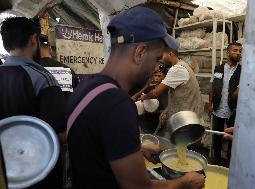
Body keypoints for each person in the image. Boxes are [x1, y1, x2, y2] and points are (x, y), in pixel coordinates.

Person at [67, 7, 205, 189]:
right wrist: (184, 182)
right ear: (140, 53)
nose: (157, 69)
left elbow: (94, 145)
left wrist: (138, 150)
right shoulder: (119, 106)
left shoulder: (86, 87)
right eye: (157, 60)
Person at [0, 17, 66, 189]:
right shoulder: (42, 79)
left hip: (7, 173)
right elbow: (58, 134)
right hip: (39, 173)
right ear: (33, 39)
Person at [140, 49, 204, 126]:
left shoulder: (177, 69)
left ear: (170, 54)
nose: (160, 60)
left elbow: (155, 93)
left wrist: (144, 97)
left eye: (161, 57)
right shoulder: (182, 66)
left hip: (187, 121)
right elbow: (180, 96)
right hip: (189, 118)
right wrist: (167, 110)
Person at [208, 42, 242, 163]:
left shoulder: (243, 71)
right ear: (228, 52)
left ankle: (229, 164)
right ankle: (215, 161)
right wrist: (210, 104)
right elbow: (212, 88)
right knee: (216, 136)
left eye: (240, 51)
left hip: (233, 111)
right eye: (235, 50)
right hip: (218, 109)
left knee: (233, 139)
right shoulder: (218, 69)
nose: (238, 53)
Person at [39, 34, 79, 110]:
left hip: (39, 121)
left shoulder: (31, 70)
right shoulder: (68, 71)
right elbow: (77, 99)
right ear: (50, 50)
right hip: (65, 119)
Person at [132, 65, 168, 133]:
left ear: (165, 77)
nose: (156, 78)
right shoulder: (150, 88)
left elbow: (169, 108)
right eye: (155, 75)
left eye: (159, 76)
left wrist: (156, 111)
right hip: (145, 122)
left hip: (157, 124)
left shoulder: (166, 92)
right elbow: (141, 99)